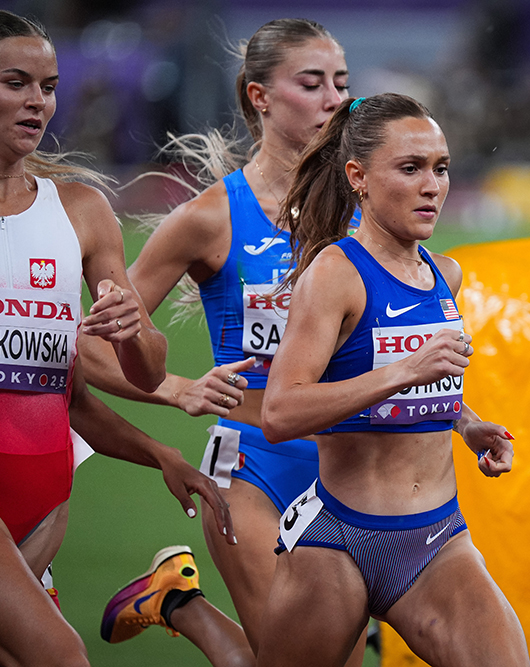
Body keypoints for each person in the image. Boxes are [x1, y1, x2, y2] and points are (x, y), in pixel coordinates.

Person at [0, 9, 233, 667]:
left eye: (47, 85)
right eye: (16, 83)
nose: (38, 101)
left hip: (44, 501)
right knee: (58, 656)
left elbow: (128, 374)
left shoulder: (79, 210)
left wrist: (133, 337)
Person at [81, 18, 366, 667]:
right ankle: (184, 605)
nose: (333, 99)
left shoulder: (368, 207)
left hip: (347, 471)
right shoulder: (210, 216)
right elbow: (91, 344)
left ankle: (175, 601)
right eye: (312, 82)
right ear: (259, 96)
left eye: (342, 83)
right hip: (252, 468)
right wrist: (179, 388)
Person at [255, 92, 530, 667]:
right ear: (358, 176)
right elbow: (280, 413)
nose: (432, 185)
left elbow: (425, 384)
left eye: (441, 168)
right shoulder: (334, 274)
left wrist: (469, 424)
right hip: (337, 541)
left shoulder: (442, 274)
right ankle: (183, 605)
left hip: (438, 538)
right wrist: (405, 370)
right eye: (411, 169)